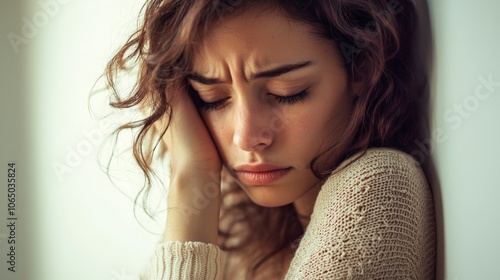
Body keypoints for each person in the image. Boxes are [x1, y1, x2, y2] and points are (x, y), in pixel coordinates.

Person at [104, 0, 436, 279]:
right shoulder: (237, 223)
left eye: (287, 93)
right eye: (212, 98)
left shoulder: (377, 182)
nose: (246, 138)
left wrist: (190, 176)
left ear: (360, 67)